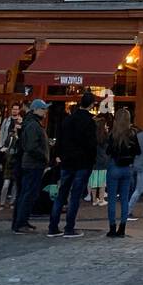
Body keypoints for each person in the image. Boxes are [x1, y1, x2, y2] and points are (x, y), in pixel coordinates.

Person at [47, 90, 98, 238]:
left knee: (62, 193)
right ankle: (69, 227)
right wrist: (91, 160)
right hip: (82, 163)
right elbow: (91, 144)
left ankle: (53, 226)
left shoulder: (68, 120)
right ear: (92, 104)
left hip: (67, 162)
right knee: (75, 196)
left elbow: (60, 139)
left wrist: (59, 155)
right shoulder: (89, 122)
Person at [13, 100, 51, 232]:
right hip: (33, 164)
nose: (45, 111)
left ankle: (21, 221)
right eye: (43, 109)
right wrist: (44, 156)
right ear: (35, 110)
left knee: (27, 193)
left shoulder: (31, 123)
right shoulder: (33, 125)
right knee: (28, 193)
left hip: (32, 163)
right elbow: (31, 146)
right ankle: (21, 222)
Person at [105, 106, 140, 237]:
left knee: (112, 199)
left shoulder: (113, 134)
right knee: (125, 199)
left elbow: (108, 151)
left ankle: (112, 227)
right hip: (127, 168)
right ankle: (122, 228)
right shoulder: (132, 133)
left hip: (114, 166)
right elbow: (138, 151)